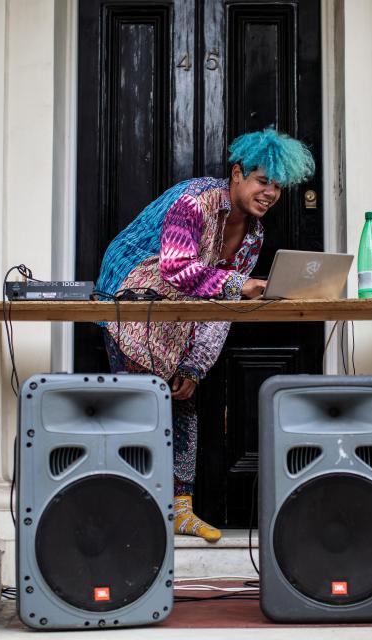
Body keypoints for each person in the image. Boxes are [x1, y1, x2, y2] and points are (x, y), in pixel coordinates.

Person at [96, 128, 315, 541]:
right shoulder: (192, 202)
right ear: (237, 174)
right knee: (141, 406)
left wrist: (196, 366)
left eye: (278, 186)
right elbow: (176, 268)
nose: (269, 193)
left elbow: (224, 309)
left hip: (181, 314)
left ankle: (180, 508)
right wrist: (243, 285)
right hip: (130, 298)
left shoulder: (254, 235)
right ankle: (134, 514)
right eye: (262, 181)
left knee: (183, 402)